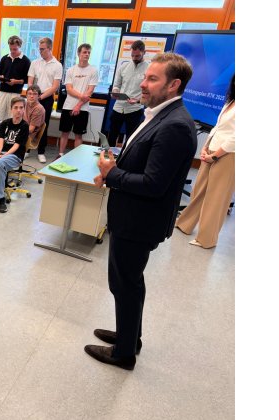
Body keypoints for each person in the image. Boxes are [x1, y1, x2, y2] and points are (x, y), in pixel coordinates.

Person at [85, 52, 197, 371]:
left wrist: (112, 175)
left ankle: (123, 354)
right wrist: (113, 171)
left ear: (173, 85)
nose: (143, 84)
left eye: (152, 79)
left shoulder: (175, 125)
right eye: (145, 77)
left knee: (125, 284)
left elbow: (153, 184)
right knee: (130, 282)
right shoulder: (159, 115)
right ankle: (130, 337)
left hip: (139, 221)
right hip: (134, 216)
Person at [175, 75, 235, 249]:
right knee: (199, 191)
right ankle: (185, 224)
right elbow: (218, 127)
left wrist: (215, 155)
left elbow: (236, 137)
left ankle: (207, 239)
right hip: (211, 149)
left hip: (227, 155)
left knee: (216, 198)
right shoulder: (231, 101)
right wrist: (206, 146)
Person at [107, 40, 149, 151]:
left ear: (144, 52)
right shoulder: (124, 67)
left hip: (134, 109)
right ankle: (108, 156)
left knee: (131, 137)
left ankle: (125, 157)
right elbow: (117, 85)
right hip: (118, 107)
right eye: (132, 55)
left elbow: (149, 91)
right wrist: (115, 92)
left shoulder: (149, 69)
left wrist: (138, 100)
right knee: (112, 135)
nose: (134, 58)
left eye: (137, 56)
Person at [27, 37, 64, 164]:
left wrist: (40, 97)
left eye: (43, 49)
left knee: (43, 125)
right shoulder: (35, 63)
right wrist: (32, 94)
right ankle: (26, 149)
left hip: (46, 98)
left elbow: (55, 87)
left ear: (49, 48)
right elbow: (30, 81)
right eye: (39, 49)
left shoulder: (57, 65)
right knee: (29, 123)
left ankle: (41, 152)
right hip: (33, 97)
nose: (40, 51)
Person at [57, 43, 98, 158]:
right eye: (84, 52)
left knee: (78, 135)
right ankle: (60, 154)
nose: (87, 54)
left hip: (83, 108)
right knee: (65, 132)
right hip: (68, 106)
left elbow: (90, 91)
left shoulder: (93, 71)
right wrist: (82, 97)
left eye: (89, 52)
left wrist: (78, 106)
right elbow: (69, 89)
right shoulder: (71, 70)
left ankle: (76, 158)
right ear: (79, 54)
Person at [0, 35, 31, 124]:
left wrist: (16, 82)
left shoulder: (26, 61)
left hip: (15, 93)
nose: (12, 51)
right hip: (2, 91)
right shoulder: (4, 58)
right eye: (10, 49)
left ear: (20, 46)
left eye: (15, 49)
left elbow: (27, 79)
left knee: (13, 117)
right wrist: (0, 78)